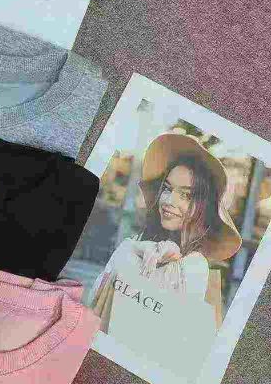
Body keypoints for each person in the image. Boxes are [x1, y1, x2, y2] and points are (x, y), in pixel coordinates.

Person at [88, 133, 242, 330]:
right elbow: (95, 301)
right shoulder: (139, 241)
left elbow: (154, 329)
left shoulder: (195, 266)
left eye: (186, 195)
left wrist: (134, 252)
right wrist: (134, 248)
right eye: (167, 189)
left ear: (205, 208)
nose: (169, 201)